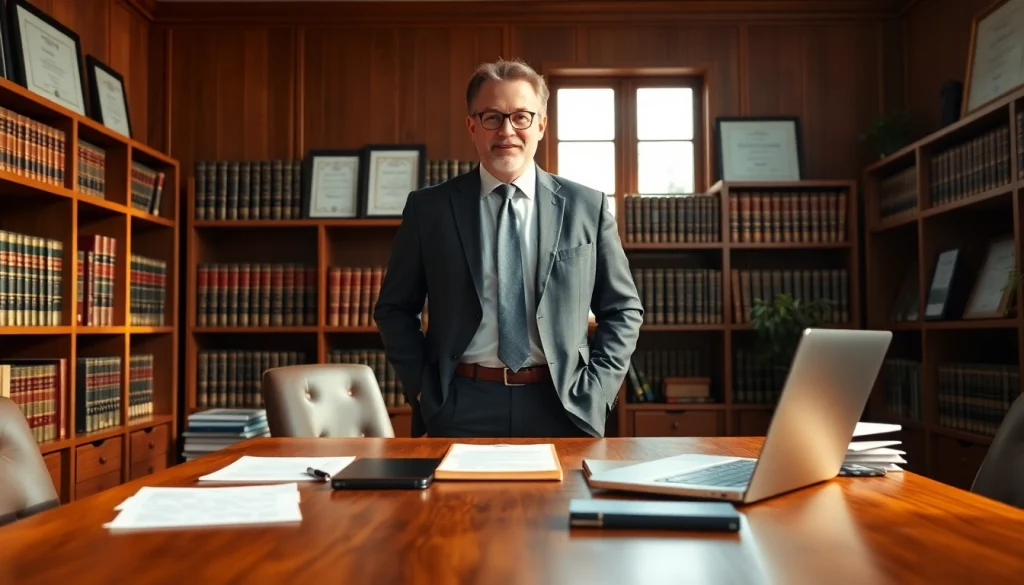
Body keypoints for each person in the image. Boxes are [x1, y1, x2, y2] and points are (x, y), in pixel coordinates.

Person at [373, 58, 643, 438]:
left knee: (565, 500)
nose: (507, 131)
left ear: (541, 125)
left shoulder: (588, 207)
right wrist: (422, 388)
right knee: (454, 502)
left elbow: (623, 308)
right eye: (492, 117)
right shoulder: (429, 209)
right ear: (472, 125)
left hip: (564, 404)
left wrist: (598, 389)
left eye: (521, 117)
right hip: (460, 404)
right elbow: (394, 308)